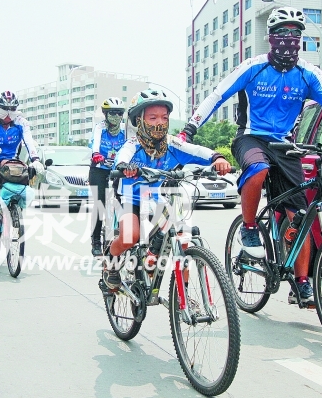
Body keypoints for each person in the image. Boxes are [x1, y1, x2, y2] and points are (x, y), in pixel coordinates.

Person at [179, 6, 322, 305]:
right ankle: (248, 227)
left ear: (302, 39)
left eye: (296, 33)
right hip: (251, 137)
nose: (289, 38)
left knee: (299, 218)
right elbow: (216, 95)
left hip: (286, 145)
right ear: (270, 37)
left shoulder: (308, 73)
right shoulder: (253, 67)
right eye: (283, 33)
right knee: (257, 168)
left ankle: (301, 284)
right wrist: (191, 128)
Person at [102, 89, 232, 290]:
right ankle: (110, 261)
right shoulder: (132, 144)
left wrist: (217, 158)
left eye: (164, 117)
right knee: (130, 236)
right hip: (129, 198)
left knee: (183, 239)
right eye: (152, 117)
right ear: (139, 120)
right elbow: (122, 157)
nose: (159, 122)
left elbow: (196, 150)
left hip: (158, 196)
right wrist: (124, 168)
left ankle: (183, 297)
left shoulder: (172, 144)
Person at [0, 90, 43, 257]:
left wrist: (35, 159)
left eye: (11, 109)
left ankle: (13, 215)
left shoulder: (21, 123)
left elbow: (29, 141)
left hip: (13, 164)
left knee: (19, 193)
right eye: (5, 109)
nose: (8, 114)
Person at [89, 97, 127, 256]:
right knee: (100, 204)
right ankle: (96, 240)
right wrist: (96, 154)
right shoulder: (100, 128)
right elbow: (95, 143)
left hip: (118, 170)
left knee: (124, 201)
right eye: (112, 113)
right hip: (99, 169)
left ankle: (124, 236)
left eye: (119, 113)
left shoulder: (125, 130)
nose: (115, 116)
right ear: (105, 114)